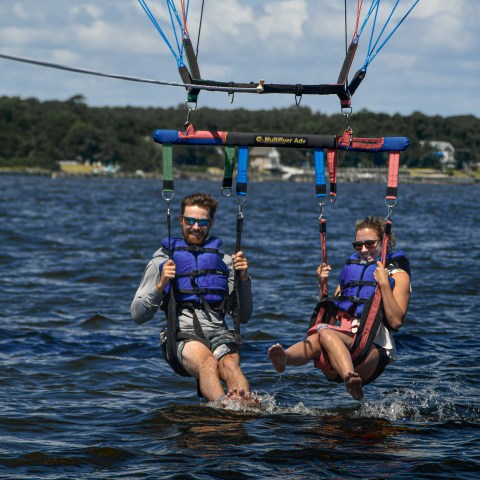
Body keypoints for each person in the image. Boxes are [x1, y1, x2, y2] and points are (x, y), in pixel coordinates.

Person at [268, 216, 411, 401]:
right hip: (343, 344)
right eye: (358, 245)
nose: (364, 250)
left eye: (370, 244)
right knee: (320, 334)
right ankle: (284, 358)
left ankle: (350, 378)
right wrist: (322, 285)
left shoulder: (398, 275)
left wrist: (384, 284)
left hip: (372, 348)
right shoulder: (352, 271)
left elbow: (396, 321)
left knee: (325, 333)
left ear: (384, 242)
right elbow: (331, 313)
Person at [131, 192, 255, 403]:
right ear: (180, 220)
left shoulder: (225, 262)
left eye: (202, 222)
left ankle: (245, 409)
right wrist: (160, 285)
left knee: (229, 365)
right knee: (207, 362)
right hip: (182, 335)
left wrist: (244, 279)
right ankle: (223, 409)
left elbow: (244, 317)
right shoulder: (162, 261)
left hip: (219, 334)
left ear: (211, 222)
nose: (196, 227)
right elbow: (137, 314)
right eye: (190, 220)